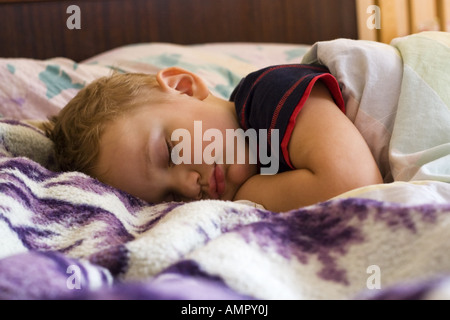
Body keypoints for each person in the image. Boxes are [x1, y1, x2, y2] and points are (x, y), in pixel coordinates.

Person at [45, 65, 383, 212]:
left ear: (183, 87)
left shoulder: (268, 94)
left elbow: (356, 185)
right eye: (171, 195)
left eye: (170, 152)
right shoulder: (264, 158)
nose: (190, 185)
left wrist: (248, 193)